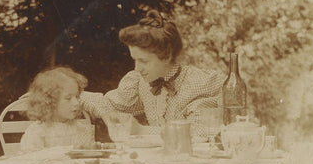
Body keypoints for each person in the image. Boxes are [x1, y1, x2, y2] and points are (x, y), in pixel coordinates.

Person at [81, 10, 224, 140]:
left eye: (144, 61)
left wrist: (141, 131)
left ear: (167, 56)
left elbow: (199, 134)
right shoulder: (140, 82)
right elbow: (106, 104)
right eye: (135, 60)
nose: (137, 68)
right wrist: (71, 92)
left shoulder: (199, 84)